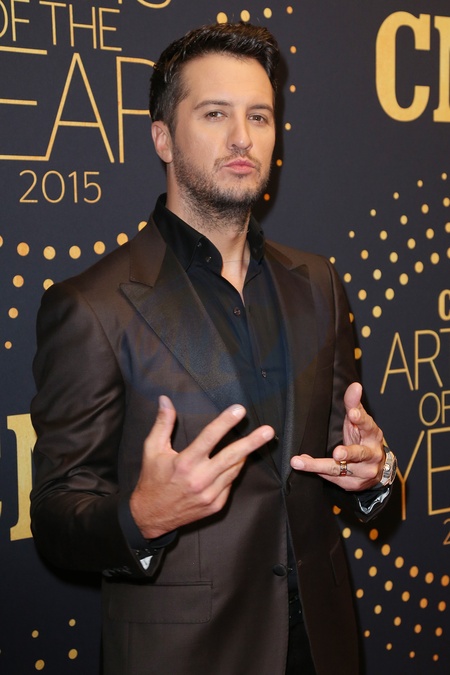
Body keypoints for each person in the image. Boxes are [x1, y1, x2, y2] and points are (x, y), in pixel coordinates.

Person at [30, 22, 396, 675]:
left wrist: (373, 474)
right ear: (162, 138)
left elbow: (336, 454)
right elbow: (58, 514)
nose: (242, 138)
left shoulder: (318, 282)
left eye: (259, 116)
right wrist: (140, 517)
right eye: (215, 114)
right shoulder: (92, 306)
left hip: (323, 647)